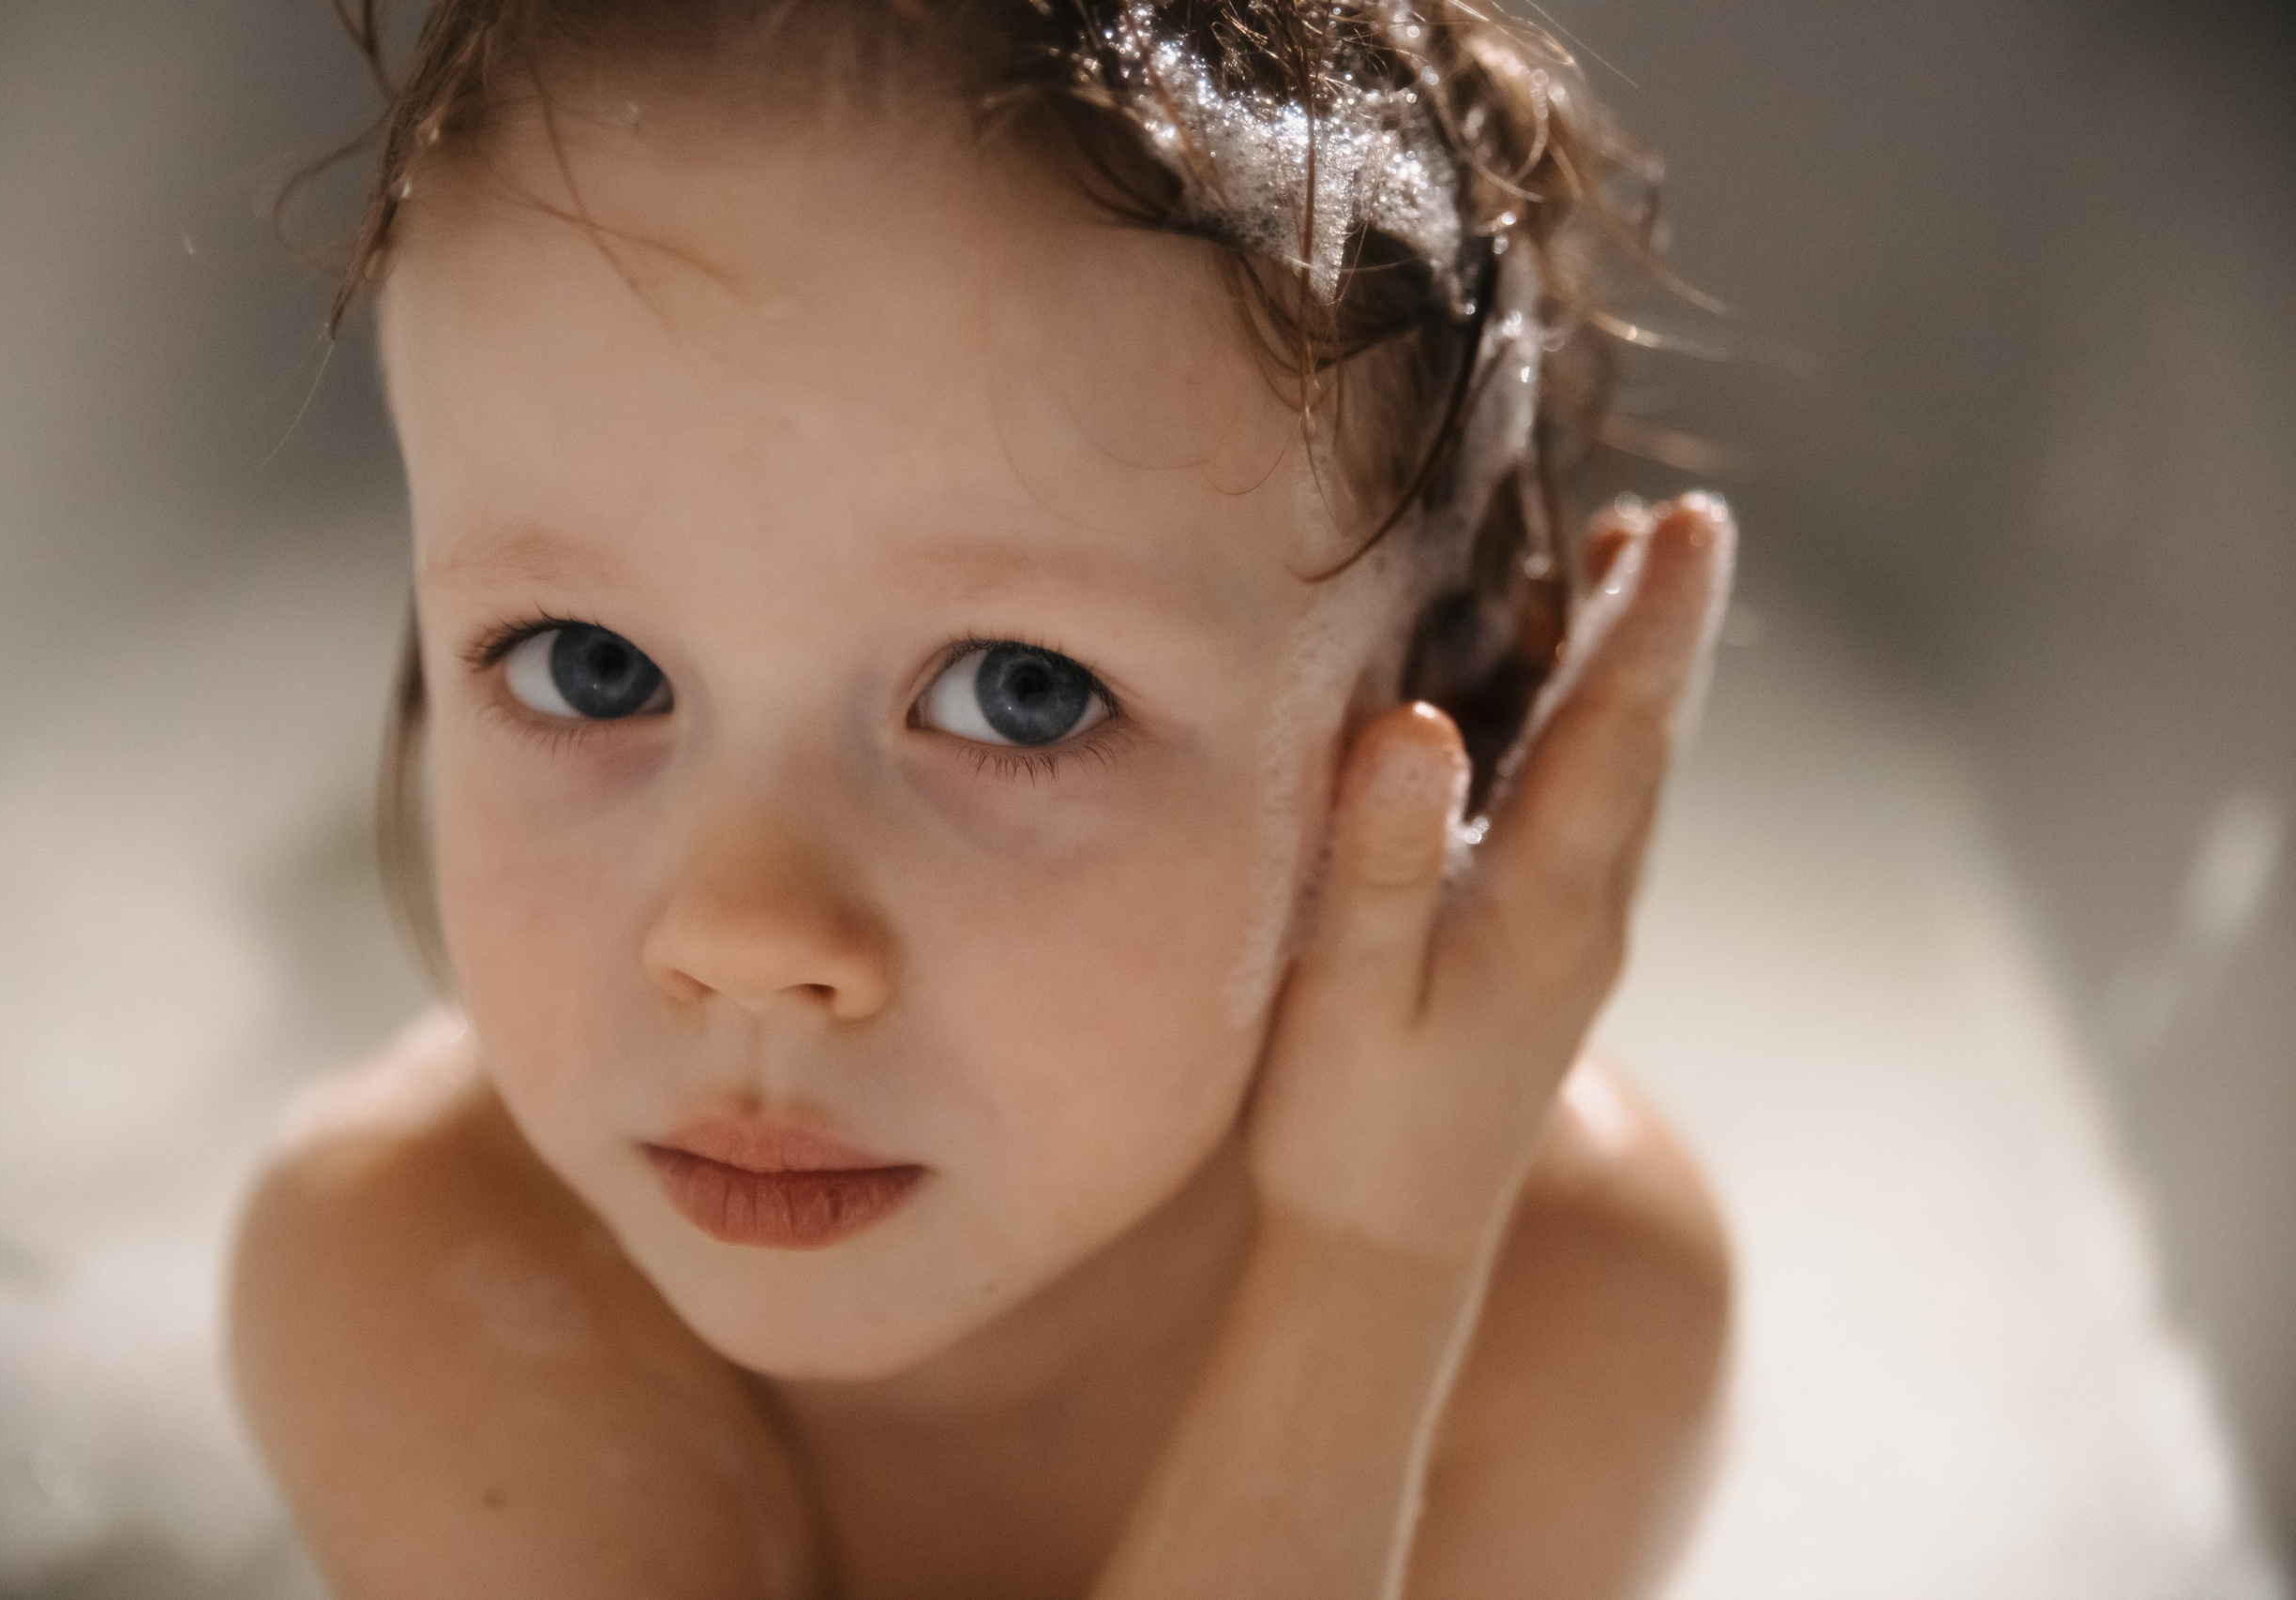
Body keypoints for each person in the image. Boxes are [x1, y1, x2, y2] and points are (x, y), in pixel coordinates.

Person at [230, 2, 1736, 1594]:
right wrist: (1369, 1277)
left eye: (1020, 693)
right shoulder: (428, 1272)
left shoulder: (1570, 1304)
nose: (745, 936)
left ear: (1462, 739)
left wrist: (1382, 1256)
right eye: (589, 665)